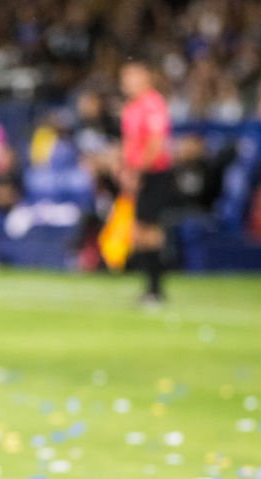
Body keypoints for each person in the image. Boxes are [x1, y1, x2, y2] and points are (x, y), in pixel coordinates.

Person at [119, 60, 173, 303]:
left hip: (154, 173)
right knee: (141, 229)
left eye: (131, 76)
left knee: (149, 228)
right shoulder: (131, 107)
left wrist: (137, 171)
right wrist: (125, 169)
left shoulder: (153, 104)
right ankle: (151, 286)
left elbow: (155, 144)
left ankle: (155, 288)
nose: (126, 82)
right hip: (139, 174)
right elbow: (129, 144)